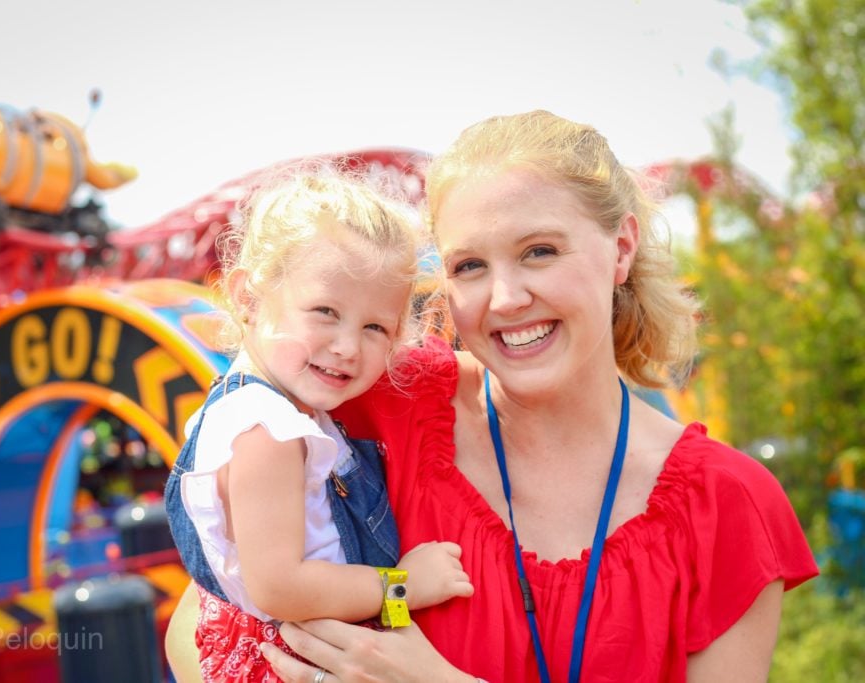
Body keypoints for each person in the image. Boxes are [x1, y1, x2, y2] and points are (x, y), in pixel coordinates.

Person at [251, 111, 819, 682]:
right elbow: (200, 622)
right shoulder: (376, 403)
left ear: (621, 247)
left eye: (539, 251)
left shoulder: (727, 505)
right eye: (469, 265)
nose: (505, 298)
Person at [163, 173, 474, 681]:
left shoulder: (287, 415)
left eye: (376, 327)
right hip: (292, 658)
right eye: (325, 312)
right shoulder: (269, 432)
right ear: (247, 297)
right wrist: (404, 588)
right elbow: (281, 589)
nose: (348, 347)